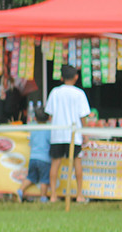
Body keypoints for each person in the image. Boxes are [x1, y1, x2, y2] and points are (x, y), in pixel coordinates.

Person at [45, 64, 91, 203]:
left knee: (55, 164)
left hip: (57, 134)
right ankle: (79, 195)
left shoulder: (55, 92)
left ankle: (53, 195)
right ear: (76, 77)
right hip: (74, 134)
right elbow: (83, 116)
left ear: (61, 77)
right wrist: (85, 134)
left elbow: (49, 115)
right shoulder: (79, 94)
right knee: (77, 163)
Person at [17, 108, 51, 202]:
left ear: (35, 118)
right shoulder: (50, 128)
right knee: (44, 179)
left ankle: (20, 190)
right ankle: (43, 197)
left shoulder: (33, 127)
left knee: (30, 177)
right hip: (45, 158)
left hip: (33, 157)